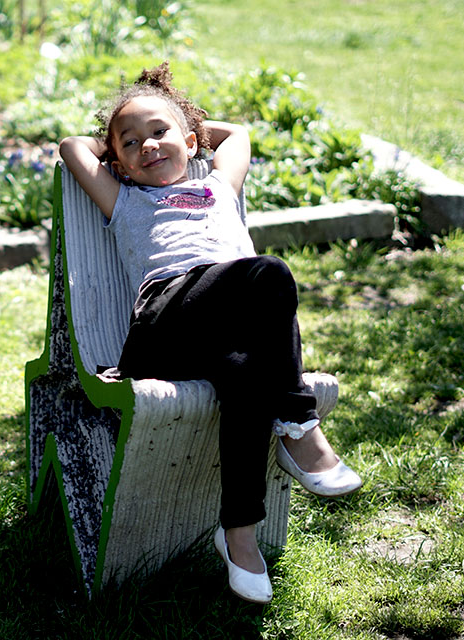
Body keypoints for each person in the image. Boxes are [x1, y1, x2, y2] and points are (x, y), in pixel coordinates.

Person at [58, 62, 362, 604]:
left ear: (192, 141)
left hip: (222, 328)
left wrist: (189, 123)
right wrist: (117, 147)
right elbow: (70, 146)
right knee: (267, 271)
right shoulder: (124, 200)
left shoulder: (220, 186)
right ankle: (297, 421)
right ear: (119, 164)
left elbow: (238, 135)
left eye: (160, 133)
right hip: (164, 323)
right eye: (131, 144)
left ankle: (238, 534)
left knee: (246, 373)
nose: (149, 145)